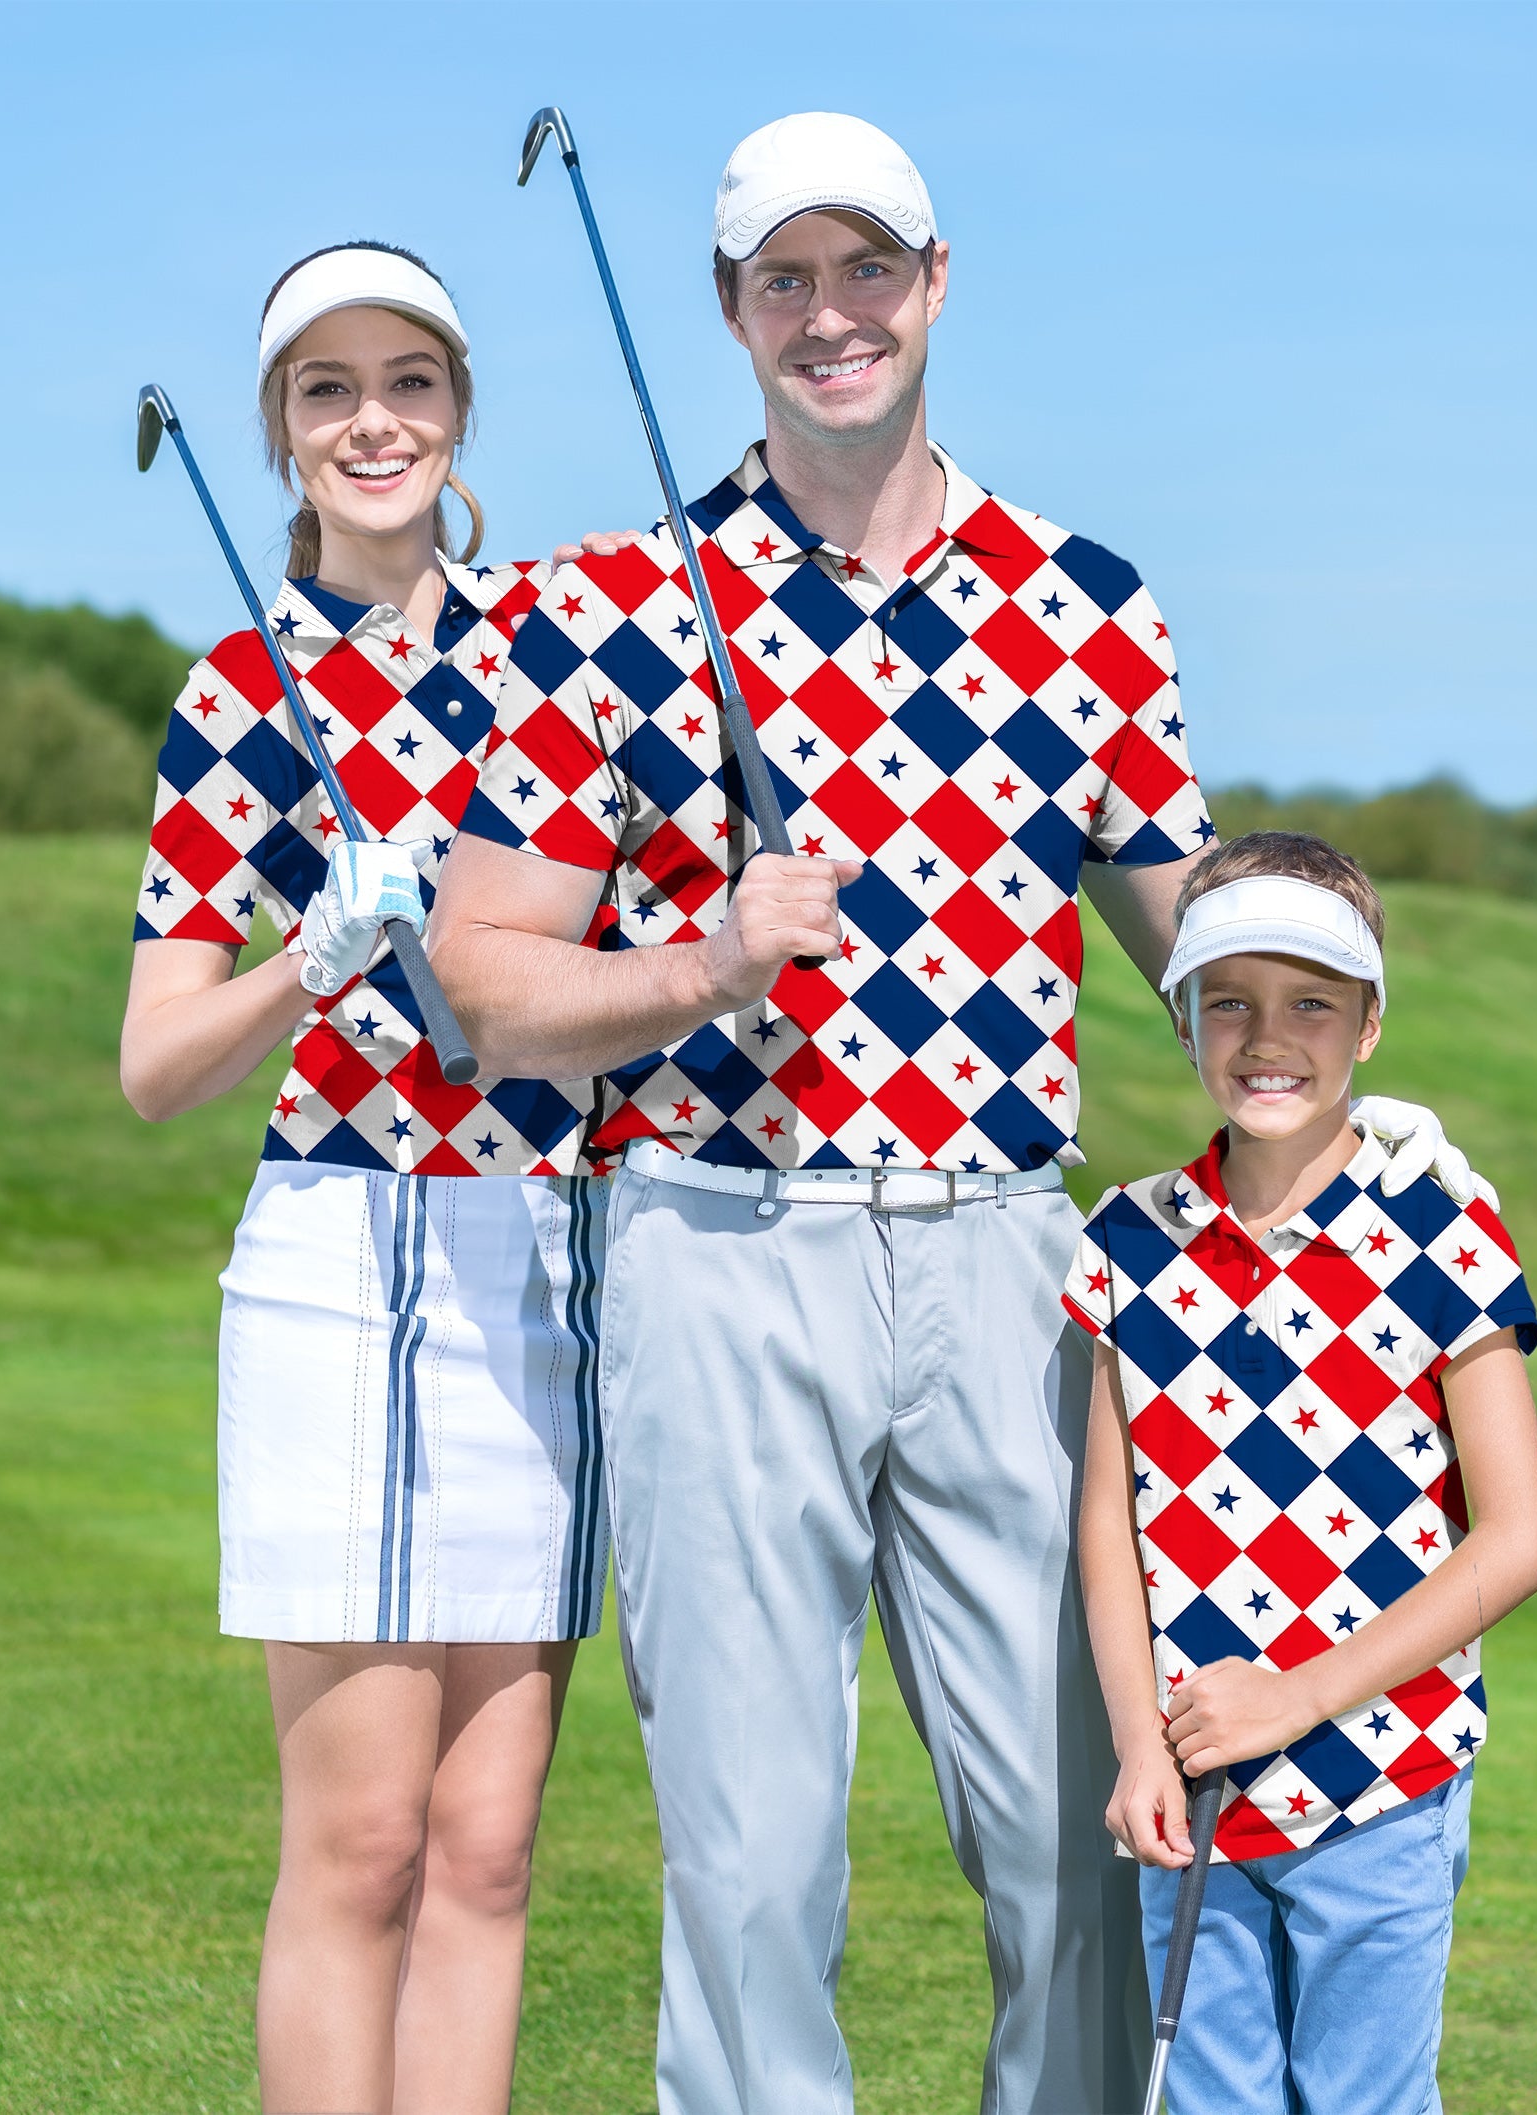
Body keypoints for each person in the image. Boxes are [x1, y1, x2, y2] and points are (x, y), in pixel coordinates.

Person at [430, 116, 1482, 2113]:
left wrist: (1358, 1085)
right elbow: (486, 976)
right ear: (730, 312)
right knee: (752, 1857)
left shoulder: (1087, 605)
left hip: (1011, 1258)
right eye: (783, 280)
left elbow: (1200, 949)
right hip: (715, 1244)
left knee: (1087, 1821)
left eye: (866, 269)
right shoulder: (603, 607)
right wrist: (687, 969)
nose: (831, 316)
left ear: (934, 282)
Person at [120, 241, 624, 2115]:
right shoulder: (239, 689)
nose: (373, 422)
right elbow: (157, 1065)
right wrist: (308, 959)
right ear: (278, 432)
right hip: (338, 1252)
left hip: (540, 1261)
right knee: (362, 1845)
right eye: (326, 390)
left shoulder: (567, 656)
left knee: (487, 1847)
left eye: (407, 381)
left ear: (459, 408)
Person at [1068, 831, 1537, 2114]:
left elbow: (1517, 1540)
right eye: (1227, 999)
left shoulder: (1443, 1231)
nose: (1265, 1036)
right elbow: (1109, 1530)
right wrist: (1135, 1746)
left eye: (1310, 1004)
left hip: (1384, 1772)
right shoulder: (1127, 1238)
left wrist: (1294, 1702)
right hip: (1192, 1783)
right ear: (1181, 1017)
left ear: (1369, 1028)